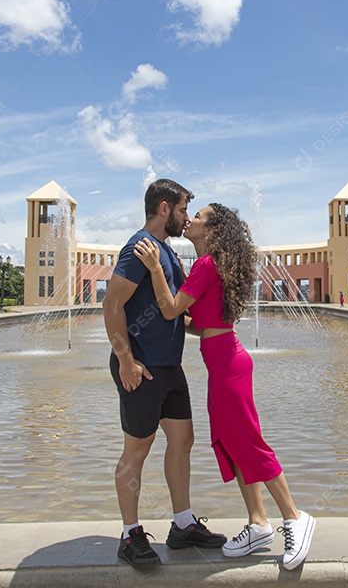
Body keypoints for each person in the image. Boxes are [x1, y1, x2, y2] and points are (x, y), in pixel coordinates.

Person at [134, 203, 316, 571]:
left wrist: (155, 268)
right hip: (221, 363)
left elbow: (170, 310)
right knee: (230, 444)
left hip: (229, 367)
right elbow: (197, 324)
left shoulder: (206, 264)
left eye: (198, 217)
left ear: (213, 230)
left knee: (247, 442)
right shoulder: (210, 265)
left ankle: (294, 517)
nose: (190, 220)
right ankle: (258, 523)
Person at [102, 179, 228, 570]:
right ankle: (130, 533)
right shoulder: (139, 248)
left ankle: (182, 523)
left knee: (183, 439)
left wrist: (209, 326)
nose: (186, 217)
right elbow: (111, 304)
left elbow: (170, 310)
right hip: (141, 367)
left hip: (168, 366)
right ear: (163, 208)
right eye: (182, 210)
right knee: (137, 449)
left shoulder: (166, 253)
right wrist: (125, 360)